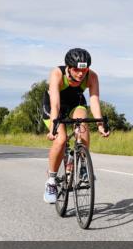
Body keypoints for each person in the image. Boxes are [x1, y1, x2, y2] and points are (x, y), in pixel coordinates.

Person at [40, 48, 109, 203]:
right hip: (54, 106)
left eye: (84, 70)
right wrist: (53, 129)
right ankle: (51, 181)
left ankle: (83, 165)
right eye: (77, 70)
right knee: (61, 139)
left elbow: (94, 101)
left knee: (82, 125)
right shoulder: (57, 74)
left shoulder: (92, 76)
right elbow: (55, 105)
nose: (80, 74)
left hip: (75, 103)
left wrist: (100, 124)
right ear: (68, 68)